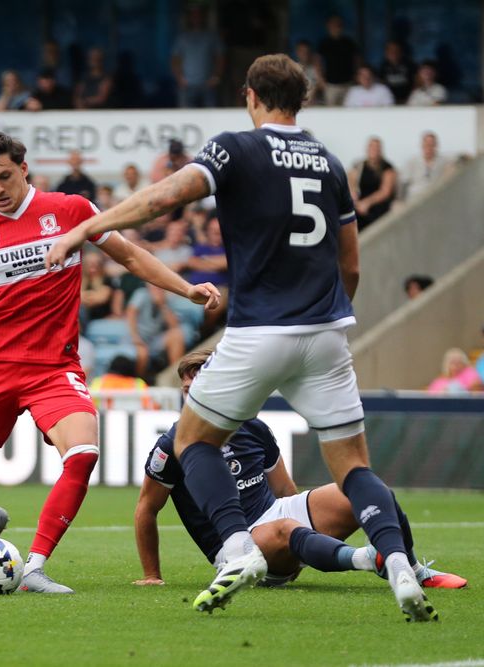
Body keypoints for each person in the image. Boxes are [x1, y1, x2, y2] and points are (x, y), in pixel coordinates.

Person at [44, 54, 438, 621]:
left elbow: (164, 197)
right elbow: (350, 263)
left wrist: (88, 226)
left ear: (250, 95)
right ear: (301, 99)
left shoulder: (237, 146)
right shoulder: (329, 162)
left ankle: (236, 550)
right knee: (354, 468)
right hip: (327, 330)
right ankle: (398, 563)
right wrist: (330, 311)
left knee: (192, 442)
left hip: (260, 329)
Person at [0, 131, 220, 594]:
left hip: (53, 367)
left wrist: (186, 289)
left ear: (24, 169)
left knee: (84, 452)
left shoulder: (70, 210)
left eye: (4, 175)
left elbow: (129, 255)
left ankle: (33, 567)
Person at [135, 350, 467, 590]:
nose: (193, 398)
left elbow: (284, 492)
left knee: (364, 490)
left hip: (277, 516)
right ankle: (371, 559)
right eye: (186, 392)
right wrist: (152, 574)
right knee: (283, 530)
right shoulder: (173, 444)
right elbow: (146, 508)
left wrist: (299, 544)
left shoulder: (253, 427)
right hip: (234, 548)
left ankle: (412, 567)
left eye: (199, 388)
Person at [348, 137, 396, 231]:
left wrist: (367, 203)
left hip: (378, 204)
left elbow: (385, 192)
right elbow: (350, 179)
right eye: (371, 147)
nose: (374, 150)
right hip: (360, 204)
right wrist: (353, 194)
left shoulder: (387, 167)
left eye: (376, 148)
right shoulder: (360, 165)